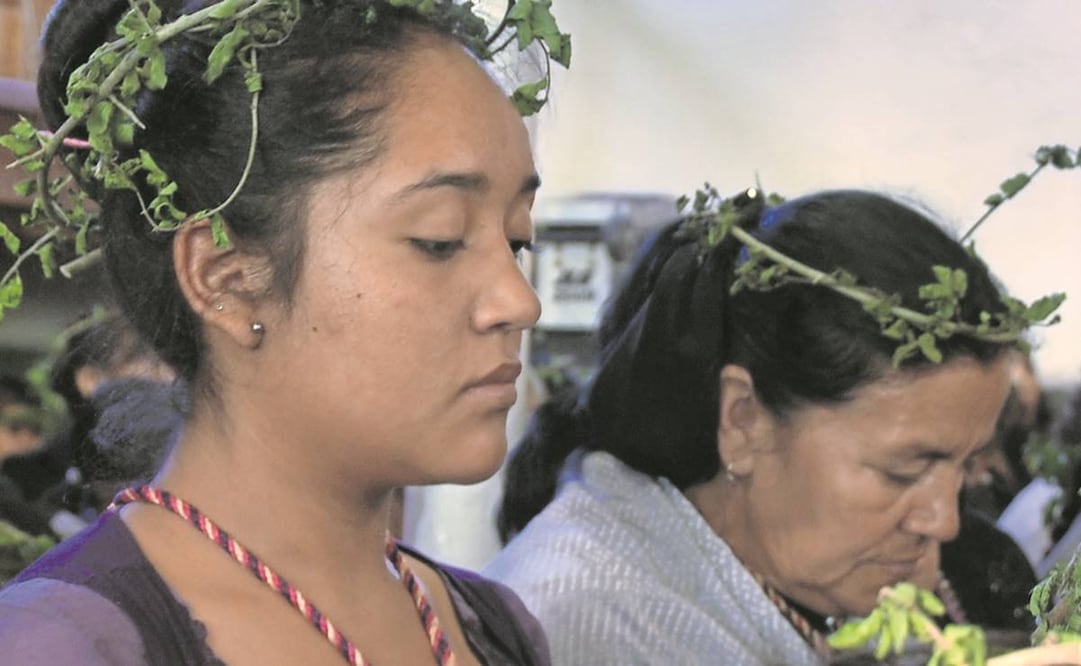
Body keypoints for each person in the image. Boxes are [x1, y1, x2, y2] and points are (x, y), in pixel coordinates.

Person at [0, 1, 559, 664]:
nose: (518, 302)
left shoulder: (492, 627)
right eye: (439, 239)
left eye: (517, 240)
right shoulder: (62, 646)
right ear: (228, 280)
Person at [486, 189, 1019, 665]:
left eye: (965, 464)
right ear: (742, 420)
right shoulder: (586, 624)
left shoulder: (971, 568)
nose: (944, 522)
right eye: (903, 472)